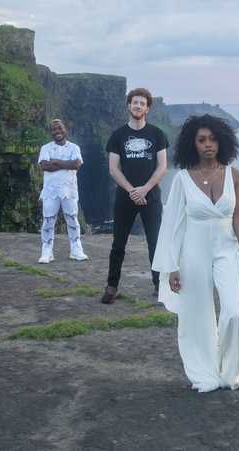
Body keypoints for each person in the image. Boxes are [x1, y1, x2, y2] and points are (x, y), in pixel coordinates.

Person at [152, 114, 239, 393]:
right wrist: (172, 265)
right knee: (197, 316)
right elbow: (173, 225)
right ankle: (205, 373)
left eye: (213, 139)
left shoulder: (235, 176)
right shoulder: (183, 179)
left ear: (222, 141)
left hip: (226, 252)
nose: (208, 144)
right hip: (192, 253)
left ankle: (229, 371)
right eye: (201, 140)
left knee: (232, 313)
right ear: (192, 145)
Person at [101, 88, 169, 304]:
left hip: (151, 197)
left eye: (142, 103)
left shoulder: (157, 134)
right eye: (134, 103)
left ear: (148, 108)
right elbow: (113, 168)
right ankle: (112, 285)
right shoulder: (118, 135)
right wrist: (133, 191)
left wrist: (145, 189)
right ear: (128, 106)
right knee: (118, 244)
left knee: (155, 243)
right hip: (125, 198)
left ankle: (159, 284)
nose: (138, 106)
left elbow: (162, 166)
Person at [37, 119, 87, 263]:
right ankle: (47, 251)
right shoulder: (46, 148)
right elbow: (45, 166)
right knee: (48, 221)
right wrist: (66, 164)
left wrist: (56, 161)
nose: (57, 132)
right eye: (54, 130)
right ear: (51, 132)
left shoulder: (74, 147)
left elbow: (76, 164)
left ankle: (76, 249)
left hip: (69, 190)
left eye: (60, 128)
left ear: (65, 129)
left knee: (72, 219)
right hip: (50, 191)